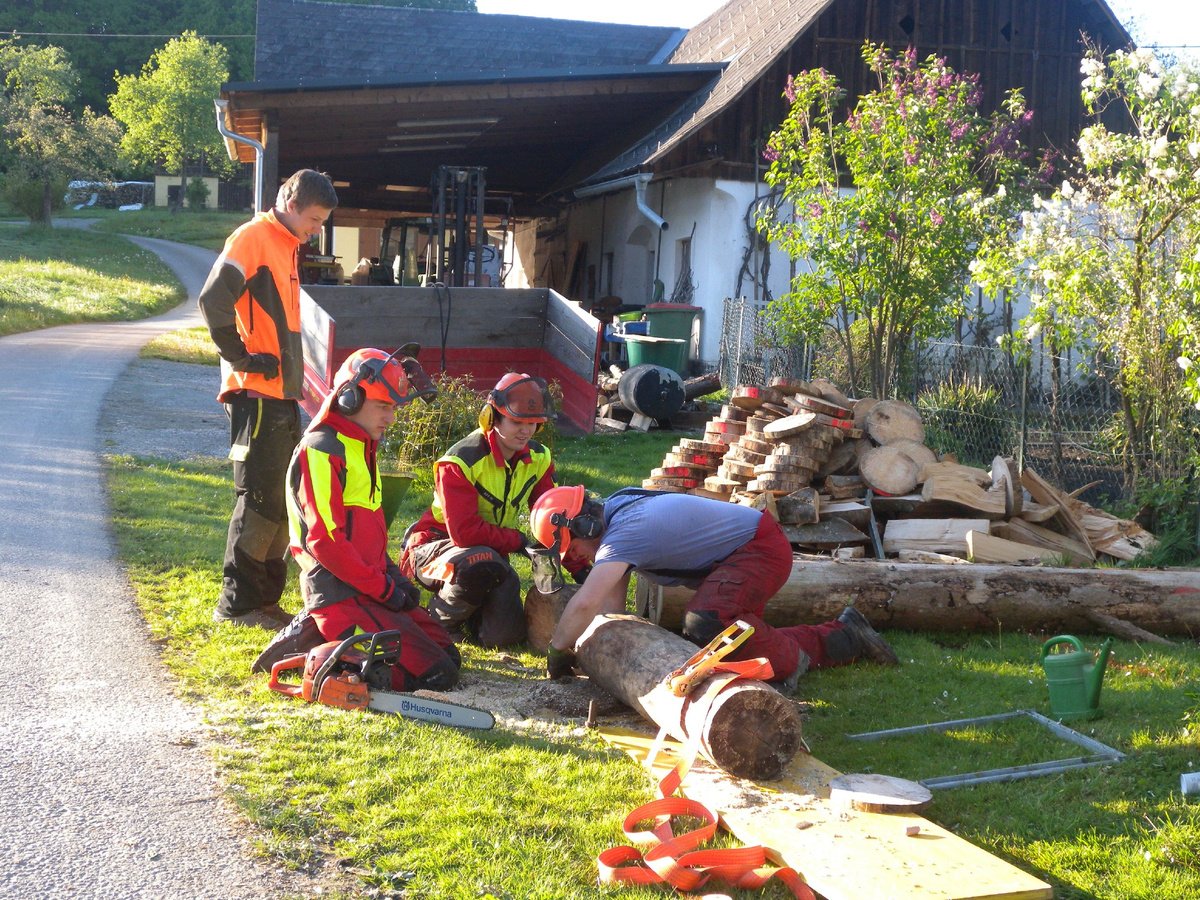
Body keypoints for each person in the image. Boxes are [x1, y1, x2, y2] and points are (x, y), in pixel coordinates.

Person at [530, 486, 899, 686]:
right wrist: (610, 644)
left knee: (708, 622)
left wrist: (558, 650)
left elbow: (585, 603)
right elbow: (612, 605)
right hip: (745, 551)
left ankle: (792, 659)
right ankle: (847, 635)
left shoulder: (624, 534)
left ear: (586, 526)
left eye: (573, 549)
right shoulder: (619, 512)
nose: (577, 558)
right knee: (737, 638)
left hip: (759, 549)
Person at [199, 169, 339, 628]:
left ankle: (264, 601)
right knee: (258, 499)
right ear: (290, 204)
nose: (315, 230)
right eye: (314, 220)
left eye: (320, 222)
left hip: (281, 395)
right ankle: (237, 606)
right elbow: (212, 300)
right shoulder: (254, 237)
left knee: (281, 501)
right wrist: (240, 357)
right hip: (256, 394)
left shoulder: (287, 244)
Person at [283, 347, 459, 691]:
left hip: (369, 586)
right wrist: (384, 588)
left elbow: (369, 536)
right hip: (340, 593)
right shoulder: (321, 448)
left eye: (393, 407)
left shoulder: (361, 446)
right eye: (383, 406)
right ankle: (326, 661)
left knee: (448, 657)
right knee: (437, 674)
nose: (390, 418)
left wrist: (395, 579)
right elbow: (324, 542)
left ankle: (327, 643)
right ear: (349, 398)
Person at [400, 373, 587, 647]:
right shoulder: (459, 462)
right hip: (434, 547)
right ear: (492, 418)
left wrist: (581, 570)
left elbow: (553, 521)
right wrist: (518, 541)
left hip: (492, 556)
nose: (525, 431)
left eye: (532, 423)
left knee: (504, 637)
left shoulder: (539, 459)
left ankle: (471, 615)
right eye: (517, 422)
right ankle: (439, 622)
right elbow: (465, 533)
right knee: (482, 560)